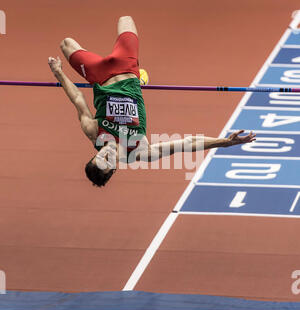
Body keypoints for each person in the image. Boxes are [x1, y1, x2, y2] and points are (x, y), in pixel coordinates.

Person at [48, 16, 256, 187]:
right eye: (108, 161)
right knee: (126, 20)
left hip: (99, 74)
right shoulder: (140, 151)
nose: (107, 153)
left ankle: (141, 77)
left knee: (66, 43)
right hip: (126, 68)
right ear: (114, 167)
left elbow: (78, 98)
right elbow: (186, 144)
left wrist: (58, 73)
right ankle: (140, 78)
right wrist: (225, 142)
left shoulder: (94, 133)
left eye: (100, 156)